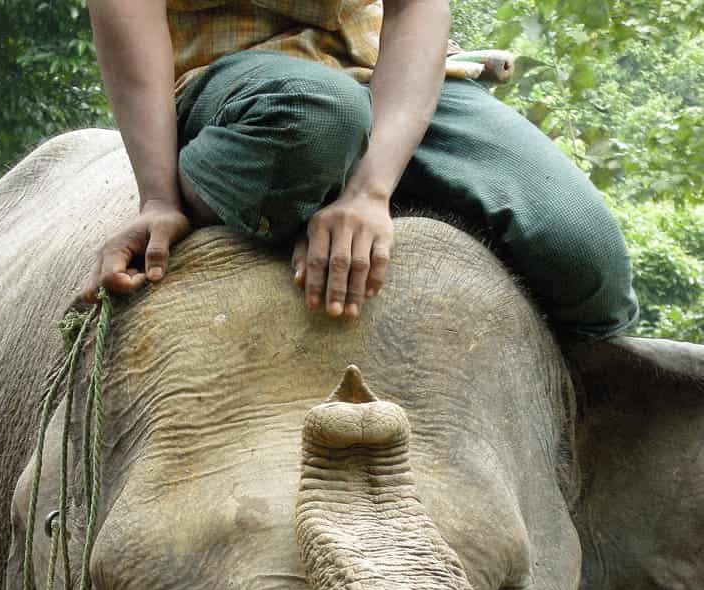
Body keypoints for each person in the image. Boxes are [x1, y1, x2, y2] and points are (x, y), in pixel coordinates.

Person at [84, 0, 638, 339]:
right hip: (239, 89)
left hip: (386, 75)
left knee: (582, 250)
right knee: (317, 114)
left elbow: (417, 9)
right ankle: (223, 180)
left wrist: (370, 193)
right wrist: (159, 196)